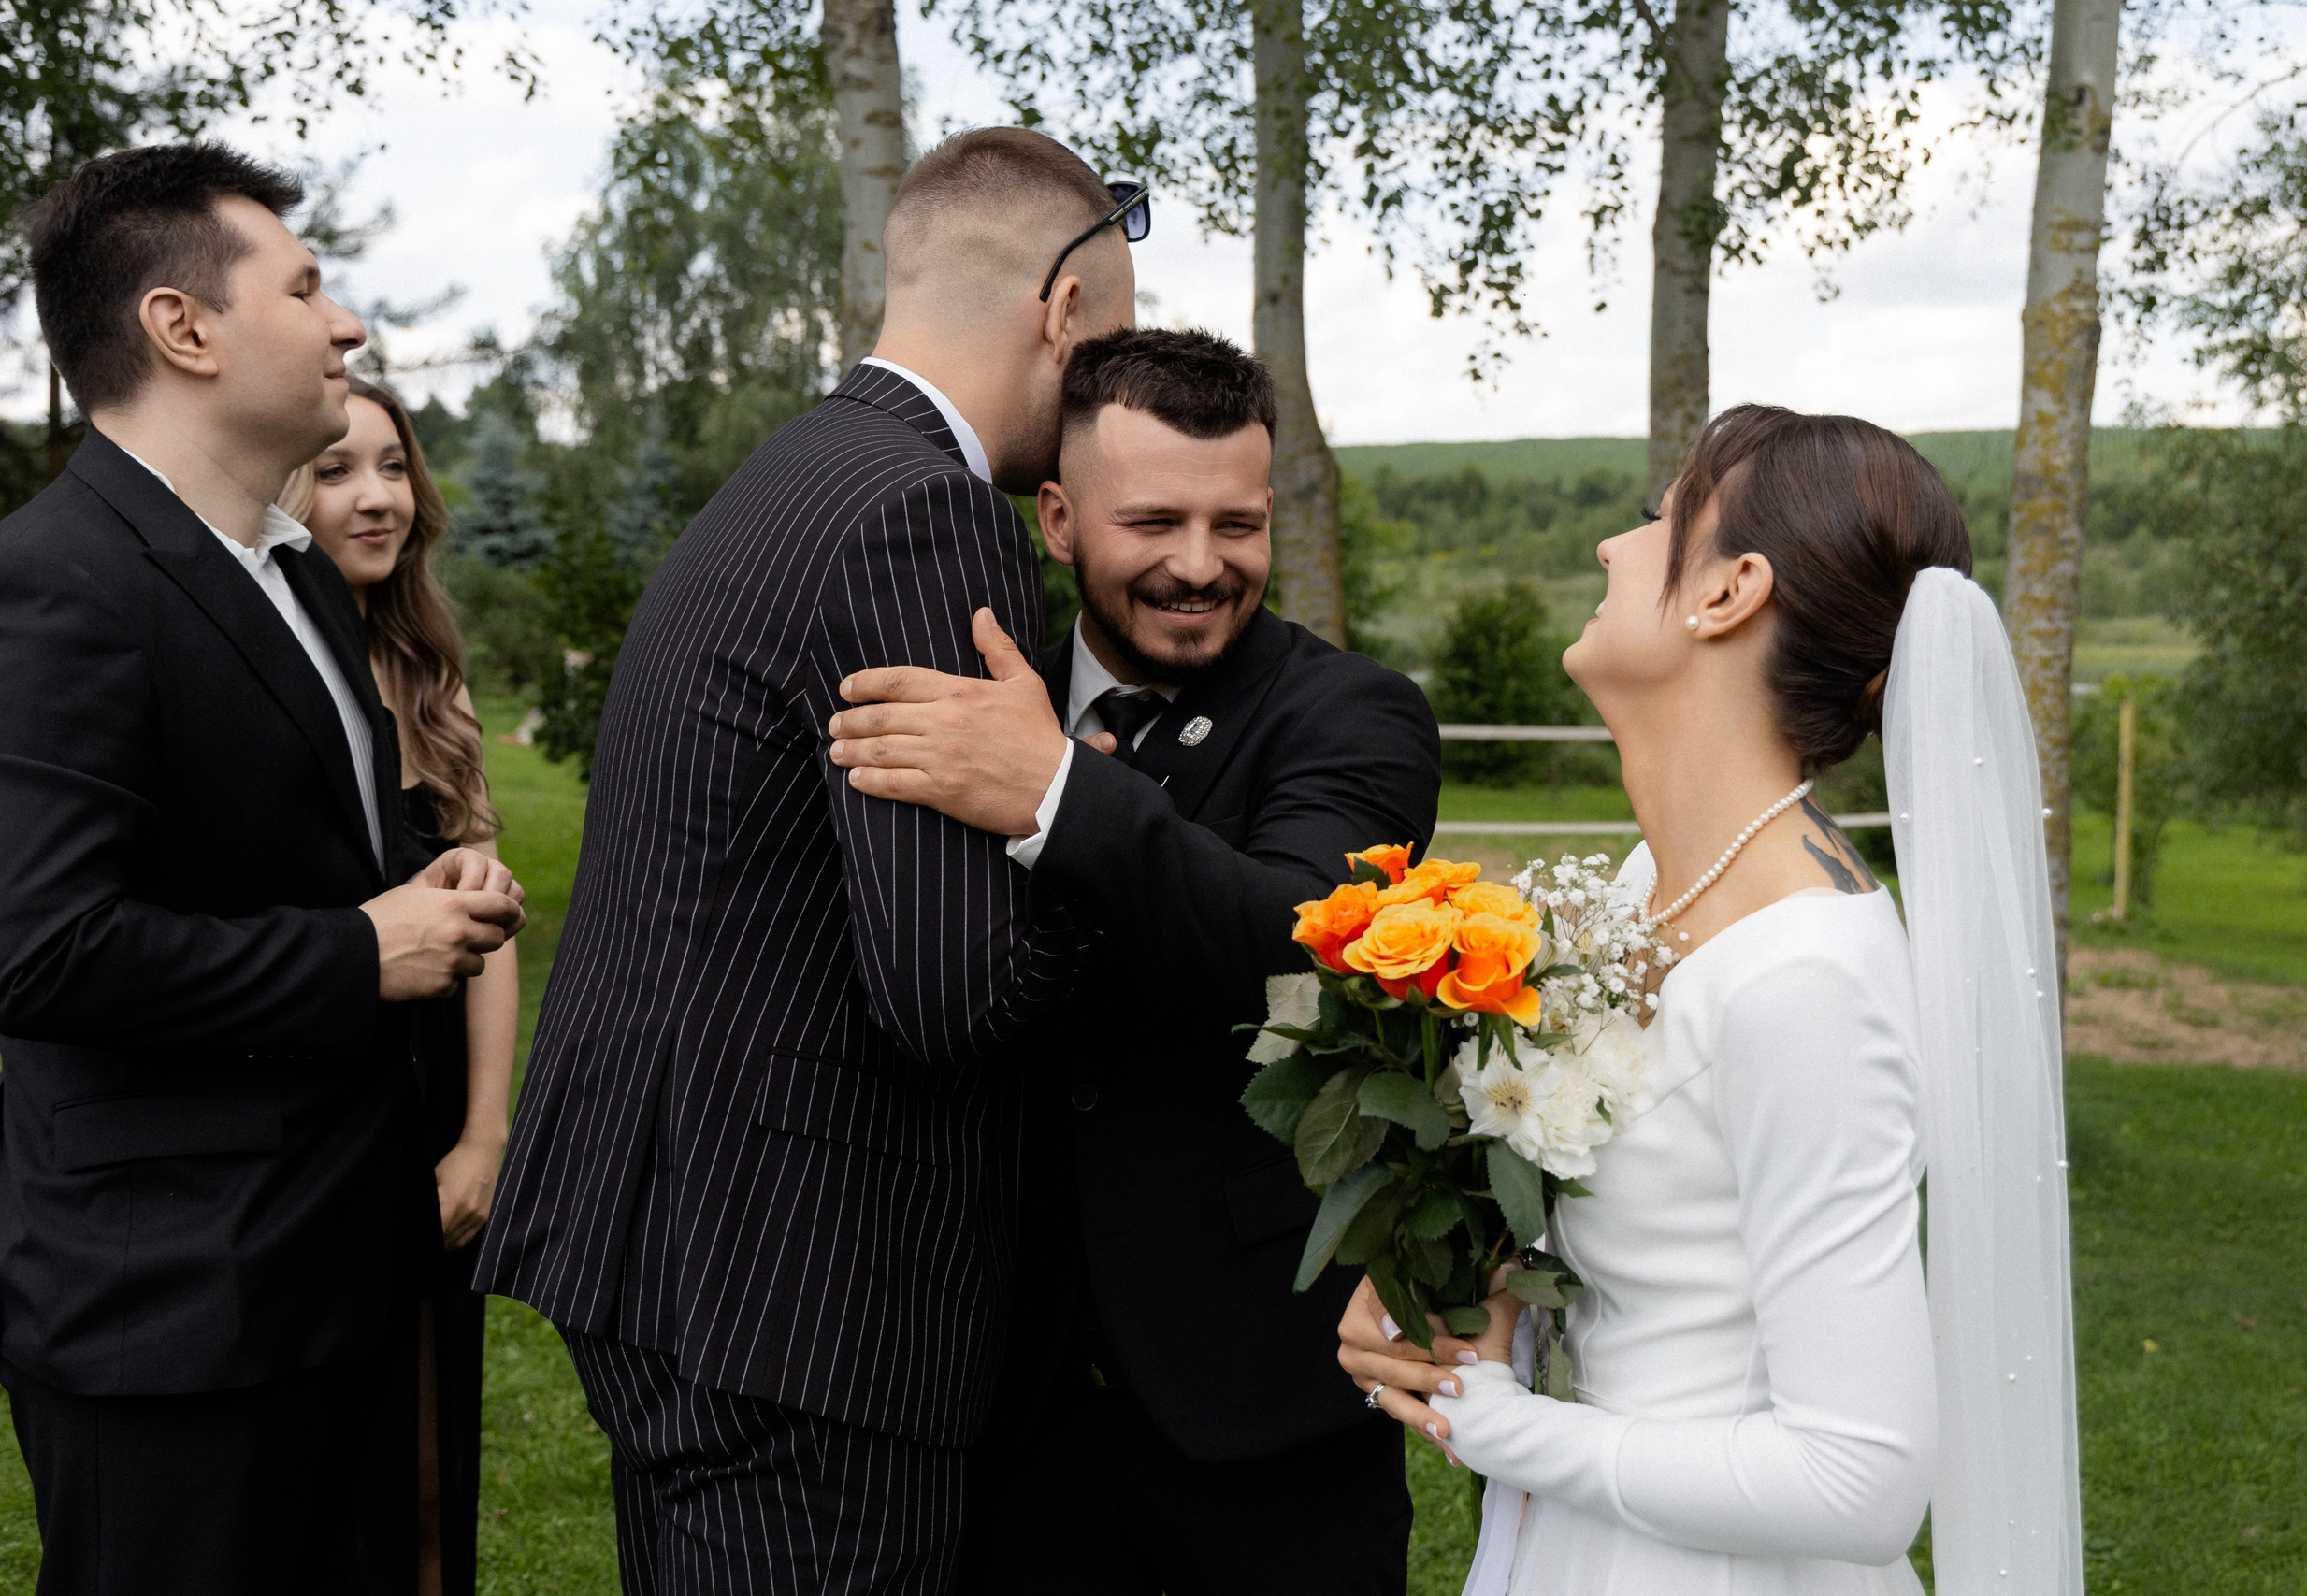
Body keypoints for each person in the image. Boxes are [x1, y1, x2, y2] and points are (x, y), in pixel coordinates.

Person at [472, 126, 1137, 1594]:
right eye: (1114, 337)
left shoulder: (799, 470)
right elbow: (948, 987)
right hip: (803, 1289)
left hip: (678, 1237)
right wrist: (1086, 813)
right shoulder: (925, 511)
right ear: (1065, 307)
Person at [1335, 406, 2084, 1594]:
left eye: (1657, 520)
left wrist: (1493, 1422)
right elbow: (1661, 1240)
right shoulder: (1650, 882)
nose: (1610, 550)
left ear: (1729, 591)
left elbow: (1859, 1476)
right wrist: (1472, 1296)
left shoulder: (1804, 982)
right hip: (1583, 1537)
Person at [0, 143, 526, 1595]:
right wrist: (356, 952)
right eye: (306, 287)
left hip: (352, 1273)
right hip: (175, 1322)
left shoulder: (299, 573)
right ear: (184, 329)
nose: (347, 325)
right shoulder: (40, 590)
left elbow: (319, 850)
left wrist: (429, 891)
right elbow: (40, 949)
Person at [825, 326, 1440, 1594]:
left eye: (1240, 524)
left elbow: (1299, 942)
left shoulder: (1354, 714)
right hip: (1016, 1400)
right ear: (1057, 516)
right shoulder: (989, 699)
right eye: (1154, 519)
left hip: (1264, 1405)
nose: (1203, 566)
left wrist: (1052, 792)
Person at [281, 375, 517, 1596]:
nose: (375, 496)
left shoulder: (427, 663)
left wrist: (484, 1134)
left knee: (429, 1480)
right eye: (334, 469)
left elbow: (491, 904)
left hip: (429, 1129)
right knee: (318, 1488)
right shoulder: (258, 665)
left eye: (391, 464)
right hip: (305, 1123)